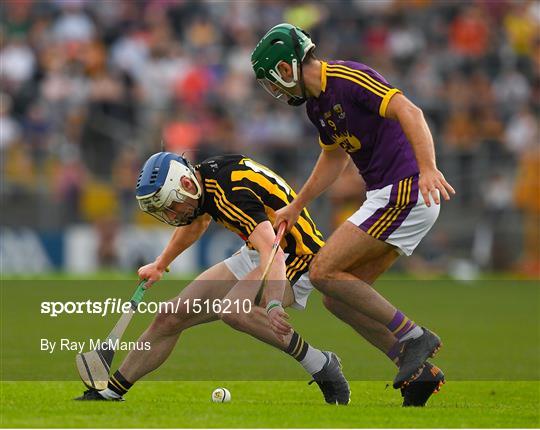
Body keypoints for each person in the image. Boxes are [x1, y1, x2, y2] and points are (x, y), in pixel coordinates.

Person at [251, 23, 454, 406]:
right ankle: (418, 374)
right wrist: (297, 205)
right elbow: (333, 157)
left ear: (287, 67)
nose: (273, 90)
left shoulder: (348, 77)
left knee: (322, 271)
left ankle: (415, 338)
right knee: (336, 295)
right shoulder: (316, 106)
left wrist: (428, 167)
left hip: (406, 188)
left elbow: (410, 111)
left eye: (272, 79)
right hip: (387, 195)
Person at [76, 151, 350, 404]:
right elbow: (198, 223)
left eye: (172, 206)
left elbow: (274, 252)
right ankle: (112, 391)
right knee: (171, 313)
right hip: (260, 249)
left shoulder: (230, 192)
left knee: (234, 309)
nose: (172, 215)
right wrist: (161, 264)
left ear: (185, 184)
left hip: (296, 254)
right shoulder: (204, 179)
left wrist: (274, 303)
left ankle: (321, 365)